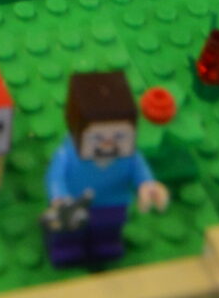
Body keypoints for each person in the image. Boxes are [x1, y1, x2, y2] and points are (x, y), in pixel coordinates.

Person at [42, 71, 169, 269]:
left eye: (119, 137)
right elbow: (56, 177)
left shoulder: (129, 155)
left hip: (113, 203)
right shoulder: (68, 154)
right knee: (70, 231)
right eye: (97, 138)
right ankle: (68, 248)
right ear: (79, 132)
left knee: (108, 229)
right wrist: (59, 197)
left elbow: (139, 170)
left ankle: (106, 244)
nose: (108, 144)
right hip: (74, 205)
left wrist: (147, 185)